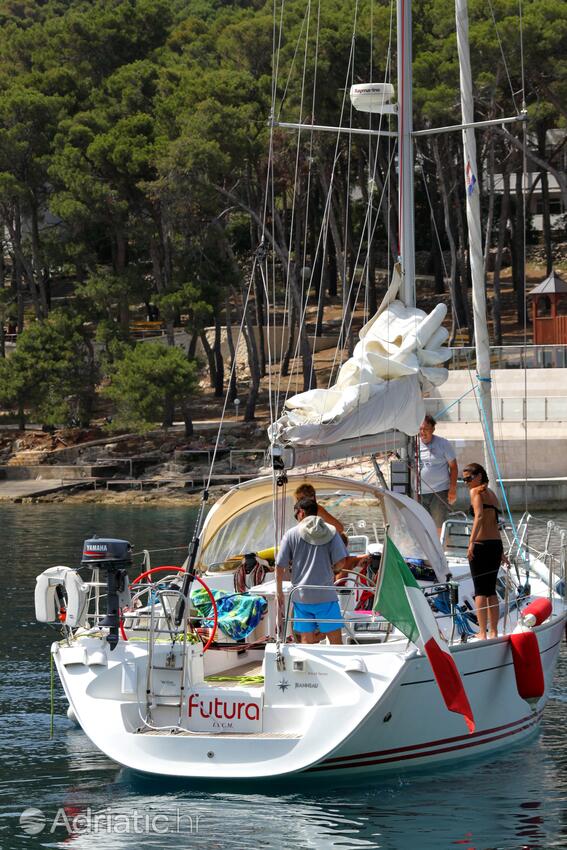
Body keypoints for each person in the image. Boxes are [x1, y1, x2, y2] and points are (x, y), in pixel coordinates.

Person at [275, 497, 348, 644]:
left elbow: (279, 566)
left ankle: (309, 666)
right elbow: (341, 563)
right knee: (336, 643)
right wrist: (332, 569)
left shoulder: (291, 534)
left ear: (301, 513)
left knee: (306, 642)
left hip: (301, 596)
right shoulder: (331, 532)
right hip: (325, 595)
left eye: (296, 515)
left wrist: (279, 593)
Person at [463, 462, 508, 640]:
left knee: (480, 591)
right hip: (495, 545)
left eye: (469, 478)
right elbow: (496, 524)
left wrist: (471, 542)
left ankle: (482, 632)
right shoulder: (492, 495)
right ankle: (494, 631)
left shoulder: (475, 492)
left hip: (481, 545)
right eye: (464, 479)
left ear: (479, 476)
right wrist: (502, 551)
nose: (466, 482)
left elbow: (480, 517)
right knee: (490, 591)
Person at [418, 414, 458, 534]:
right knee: (421, 526)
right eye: (420, 429)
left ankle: (441, 551)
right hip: (418, 492)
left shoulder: (443, 443)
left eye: (426, 429)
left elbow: (454, 467)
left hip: (439, 491)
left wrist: (452, 490)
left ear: (433, 429)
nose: (422, 432)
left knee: (439, 525)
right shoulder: (412, 444)